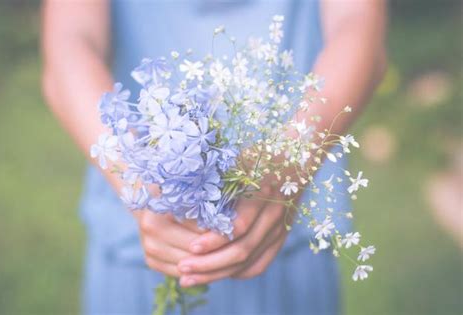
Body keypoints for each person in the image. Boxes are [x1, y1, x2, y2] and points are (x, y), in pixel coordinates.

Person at [42, 0, 386, 314]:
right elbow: (71, 39)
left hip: (286, 235)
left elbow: (356, 22)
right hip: (138, 242)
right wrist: (137, 178)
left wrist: (291, 156)